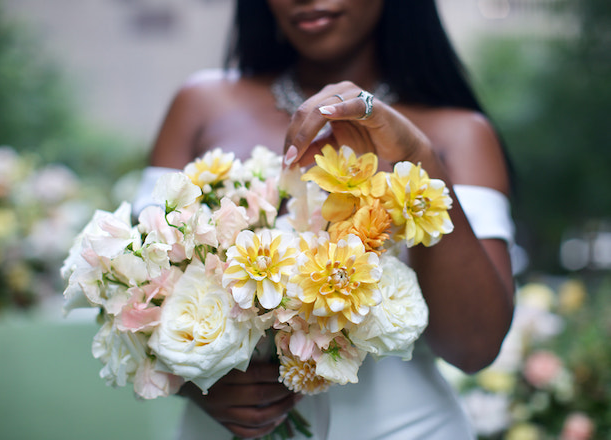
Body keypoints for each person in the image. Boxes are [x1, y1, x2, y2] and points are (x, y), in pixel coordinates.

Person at [139, 0, 516, 438]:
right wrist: (193, 378)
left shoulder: (460, 133)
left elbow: (475, 347)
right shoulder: (200, 106)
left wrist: (418, 160)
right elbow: (132, 296)